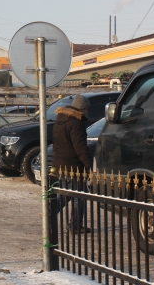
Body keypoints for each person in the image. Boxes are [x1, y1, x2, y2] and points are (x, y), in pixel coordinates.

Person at [52, 94, 92, 233]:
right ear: (83, 108)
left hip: (60, 164)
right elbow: (80, 148)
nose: (87, 111)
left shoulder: (61, 119)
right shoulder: (76, 123)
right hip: (73, 166)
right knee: (77, 196)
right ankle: (74, 224)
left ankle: (50, 213)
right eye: (86, 108)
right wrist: (90, 166)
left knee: (66, 193)